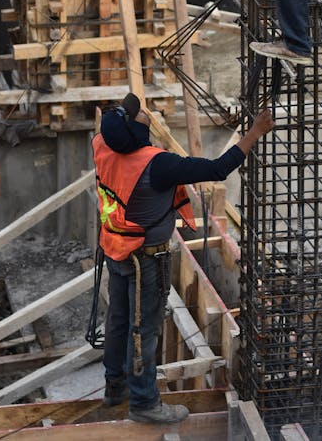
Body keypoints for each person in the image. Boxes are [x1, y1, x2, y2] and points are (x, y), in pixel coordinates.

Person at [92, 92, 274, 425]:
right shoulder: (158, 165)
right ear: (135, 131)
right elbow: (218, 169)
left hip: (116, 250)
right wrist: (255, 132)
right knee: (143, 331)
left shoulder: (102, 145)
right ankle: (145, 403)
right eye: (138, 114)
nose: (144, 112)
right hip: (145, 260)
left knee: (118, 322)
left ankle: (114, 387)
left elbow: (117, 133)